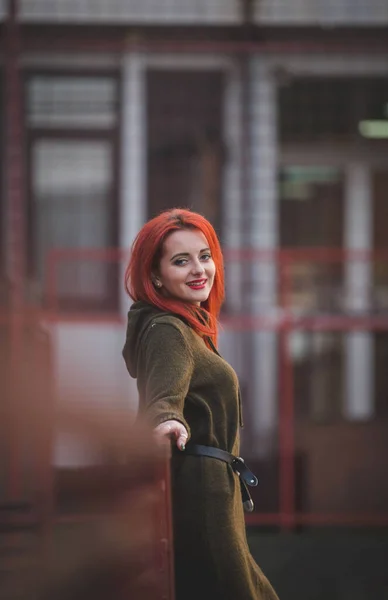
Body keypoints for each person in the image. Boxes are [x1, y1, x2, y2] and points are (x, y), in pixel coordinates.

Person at [122, 208, 280, 600]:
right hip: (201, 490)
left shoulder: (184, 325)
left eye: (204, 256)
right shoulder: (168, 330)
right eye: (181, 260)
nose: (199, 269)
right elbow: (164, 397)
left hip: (211, 488)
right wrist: (165, 419)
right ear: (155, 275)